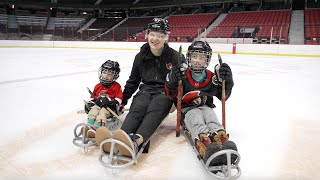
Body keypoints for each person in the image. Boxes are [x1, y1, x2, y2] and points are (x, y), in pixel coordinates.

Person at [96, 18, 183, 158]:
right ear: (147, 34)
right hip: (146, 90)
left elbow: (183, 82)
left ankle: (137, 141)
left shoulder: (175, 57)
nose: (155, 39)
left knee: (154, 109)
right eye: (153, 34)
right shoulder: (140, 56)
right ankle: (120, 138)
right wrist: (122, 100)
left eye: (160, 36)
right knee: (138, 107)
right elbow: (133, 81)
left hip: (166, 92)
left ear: (166, 38)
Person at [165, 40, 238, 165]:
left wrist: (228, 84)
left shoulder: (211, 77)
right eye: (194, 56)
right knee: (196, 117)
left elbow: (223, 96)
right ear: (188, 57)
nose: (197, 60)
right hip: (187, 110)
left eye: (202, 57)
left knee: (210, 115)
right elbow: (170, 94)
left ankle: (221, 138)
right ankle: (204, 143)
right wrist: (172, 80)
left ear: (207, 60)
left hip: (205, 107)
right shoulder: (182, 75)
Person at [84, 60, 122, 141]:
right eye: (104, 72)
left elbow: (119, 100)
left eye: (110, 74)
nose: (106, 76)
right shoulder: (98, 86)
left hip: (109, 108)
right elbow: (94, 99)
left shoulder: (117, 86)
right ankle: (89, 127)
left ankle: (98, 129)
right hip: (99, 105)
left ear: (115, 76)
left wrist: (111, 103)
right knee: (93, 111)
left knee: (102, 114)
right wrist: (90, 104)